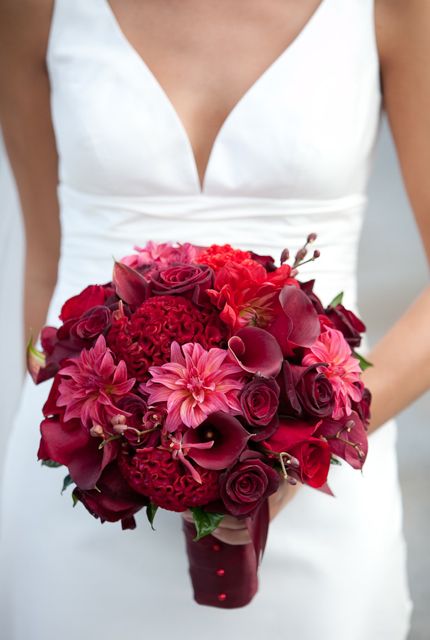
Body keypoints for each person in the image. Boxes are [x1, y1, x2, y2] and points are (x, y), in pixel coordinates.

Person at [0, 1, 428, 638]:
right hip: (86, 495)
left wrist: (306, 440)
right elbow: (45, 263)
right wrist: (104, 437)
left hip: (320, 488)